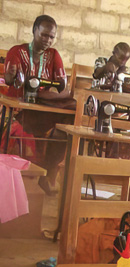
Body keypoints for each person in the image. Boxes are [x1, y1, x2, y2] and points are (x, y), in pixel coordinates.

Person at [6, 15, 75, 238]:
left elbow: (61, 84)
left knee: (68, 123)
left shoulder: (54, 55)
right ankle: (47, 171)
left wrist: (60, 86)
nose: (47, 40)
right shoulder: (17, 52)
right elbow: (10, 80)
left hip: (42, 108)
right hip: (21, 109)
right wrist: (11, 77)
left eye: (52, 36)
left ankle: (49, 169)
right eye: (44, 34)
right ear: (34, 31)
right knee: (58, 123)